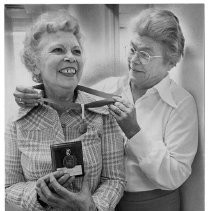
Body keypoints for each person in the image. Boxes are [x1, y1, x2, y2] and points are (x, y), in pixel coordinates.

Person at [13, 8, 198, 211]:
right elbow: (64, 89)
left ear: (170, 61)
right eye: (132, 49)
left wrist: (134, 132)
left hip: (155, 203)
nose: (134, 59)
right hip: (105, 202)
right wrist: (32, 94)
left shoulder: (181, 103)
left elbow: (175, 175)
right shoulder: (107, 89)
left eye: (145, 54)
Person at [5, 10, 126, 211]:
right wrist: (40, 195)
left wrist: (91, 207)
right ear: (35, 64)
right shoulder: (17, 121)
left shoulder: (103, 113)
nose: (71, 57)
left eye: (76, 51)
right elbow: (8, 186)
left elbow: (114, 179)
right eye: (58, 50)